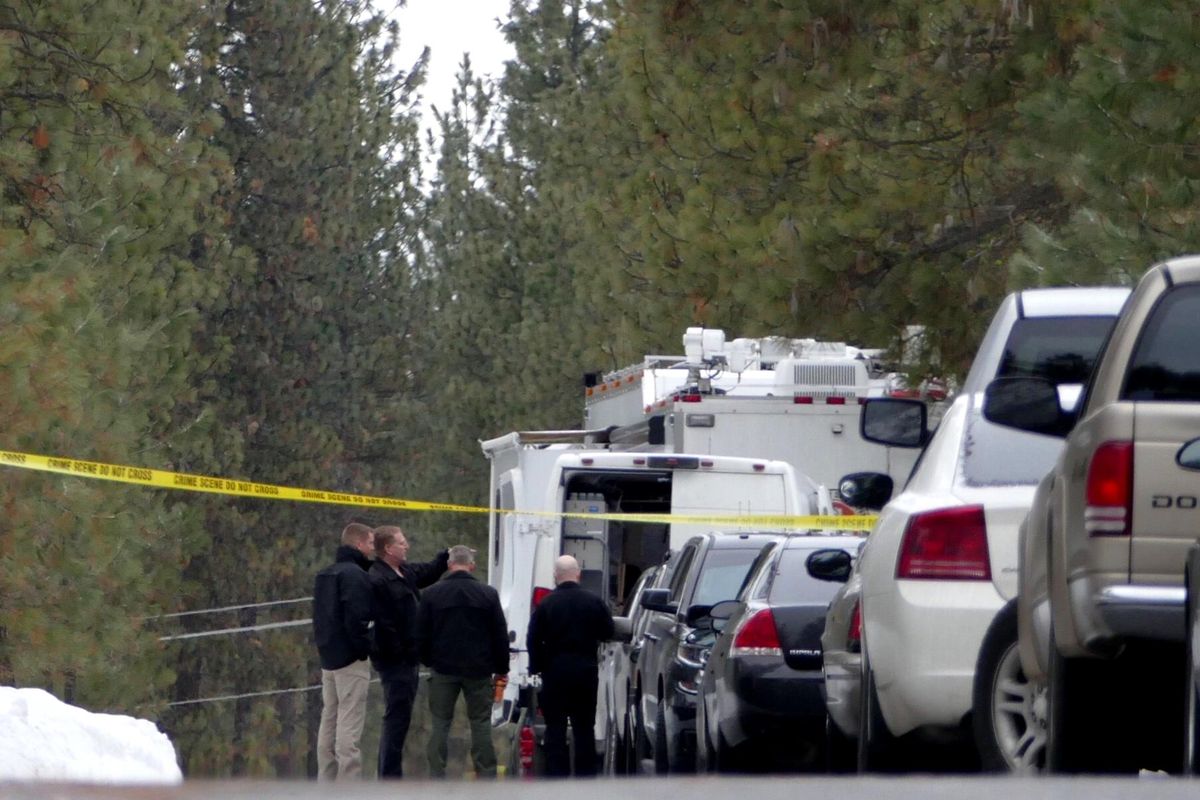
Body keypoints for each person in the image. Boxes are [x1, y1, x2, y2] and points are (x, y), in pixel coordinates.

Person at [415, 545, 509, 779]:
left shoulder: (432, 594)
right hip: (478, 670)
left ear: (448, 566)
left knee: (440, 723)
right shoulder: (487, 594)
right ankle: (485, 773)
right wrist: (501, 668)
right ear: (471, 565)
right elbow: (499, 634)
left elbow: (420, 634)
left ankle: (437, 773)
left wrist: (429, 660)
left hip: (443, 669)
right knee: (480, 722)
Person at [368, 526, 449, 779]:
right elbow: (384, 624)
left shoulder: (403, 572)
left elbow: (426, 572)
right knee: (396, 718)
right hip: (395, 661)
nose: (407, 546)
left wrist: (444, 558)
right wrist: (402, 652)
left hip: (409, 659)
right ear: (388, 549)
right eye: (402, 543)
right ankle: (389, 776)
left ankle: (390, 773)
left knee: (401, 718)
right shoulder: (378, 579)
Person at [526, 554, 615, 777]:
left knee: (555, 727)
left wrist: (536, 667)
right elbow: (608, 631)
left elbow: (533, 638)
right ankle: (585, 776)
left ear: (556, 576)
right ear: (578, 574)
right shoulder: (594, 602)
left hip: (554, 673)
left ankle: (557, 776)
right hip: (585, 672)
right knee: (584, 727)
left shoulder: (546, 604)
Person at [312, 522, 375, 781]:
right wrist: (365, 648)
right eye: (371, 543)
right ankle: (349, 784)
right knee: (349, 725)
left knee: (329, 720)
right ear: (359, 544)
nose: (373, 548)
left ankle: (326, 781)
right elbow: (357, 619)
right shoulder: (355, 576)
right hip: (350, 660)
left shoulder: (325, 575)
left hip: (328, 659)